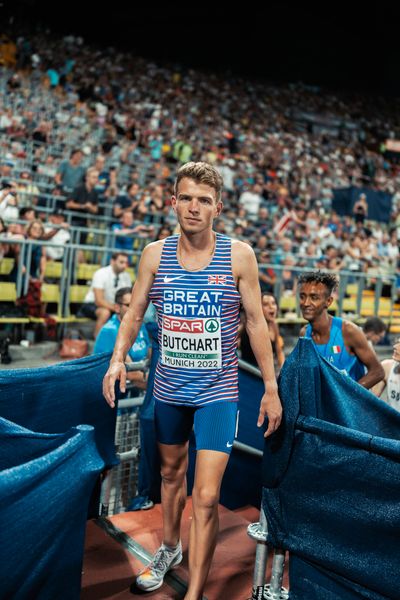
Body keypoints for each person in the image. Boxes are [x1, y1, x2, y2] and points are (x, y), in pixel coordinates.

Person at [102, 161, 282, 599]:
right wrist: (116, 359)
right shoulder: (153, 254)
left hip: (218, 394)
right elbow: (135, 311)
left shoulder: (239, 255)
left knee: (205, 496)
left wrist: (272, 389)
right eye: (186, 198)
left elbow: (257, 323)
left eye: (204, 200)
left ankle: (195, 593)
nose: (194, 207)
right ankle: (168, 548)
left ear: (217, 207)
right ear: (173, 202)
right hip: (168, 391)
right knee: (169, 475)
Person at [298, 271, 384, 388]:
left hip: (348, 405)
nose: (306, 303)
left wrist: (346, 398)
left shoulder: (348, 331)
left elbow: (378, 372)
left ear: (328, 301)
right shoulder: (304, 333)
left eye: (314, 297)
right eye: (302, 297)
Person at [94, 286, 150, 390]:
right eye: (129, 305)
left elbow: (150, 355)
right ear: (117, 308)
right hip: (112, 392)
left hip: (134, 388)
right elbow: (130, 373)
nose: (134, 309)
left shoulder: (141, 325)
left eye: (136, 304)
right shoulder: (110, 330)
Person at [78, 252, 132, 337]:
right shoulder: (101, 273)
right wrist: (117, 309)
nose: (124, 265)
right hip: (91, 304)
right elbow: (98, 301)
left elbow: (128, 297)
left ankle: (122, 342)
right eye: (121, 262)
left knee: (128, 312)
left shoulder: (126, 276)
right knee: (105, 313)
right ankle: (97, 341)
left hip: (114, 306)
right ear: (112, 261)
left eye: (126, 263)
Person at [240, 292, 285, 371]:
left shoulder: (274, 325)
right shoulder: (252, 327)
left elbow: (279, 352)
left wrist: (284, 370)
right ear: (258, 309)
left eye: (273, 303)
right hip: (251, 372)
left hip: (266, 371)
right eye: (265, 304)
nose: (271, 307)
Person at [371, 338, 400, 412]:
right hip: (392, 421)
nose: (395, 346)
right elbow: (370, 400)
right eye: (397, 342)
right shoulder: (387, 367)